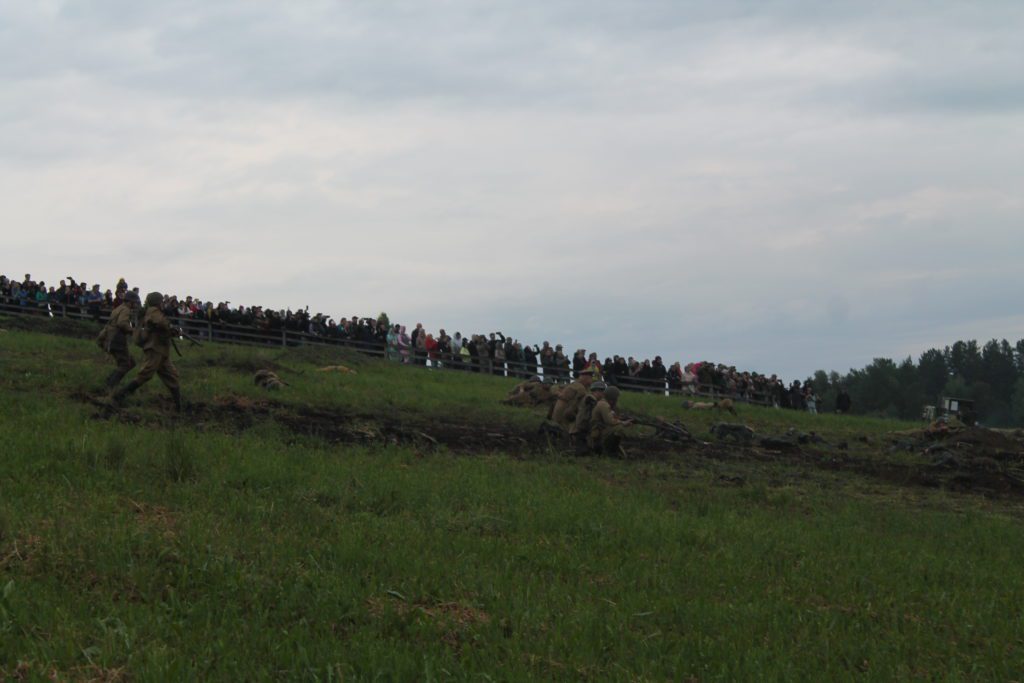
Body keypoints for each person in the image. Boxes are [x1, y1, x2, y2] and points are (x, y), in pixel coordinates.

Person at [111, 292, 182, 412]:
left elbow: (160, 327)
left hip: (161, 350)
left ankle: (179, 406)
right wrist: (170, 327)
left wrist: (172, 331)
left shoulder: (155, 312)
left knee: (172, 376)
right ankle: (119, 396)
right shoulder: (153, 311)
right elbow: (159, 322)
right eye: (161, 301)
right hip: (155, 349)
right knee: (145, 374)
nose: (163, 303)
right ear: (158, 302)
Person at [96, 290, 140, 390]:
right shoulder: (126, 310)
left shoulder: (118, 308)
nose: (136, 305)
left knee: (131, 362)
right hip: (117, 339)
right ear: (130, 302)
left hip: (111, 338)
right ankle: (110, 385)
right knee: (125, 364)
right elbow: (122, 323)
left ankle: (110, 381)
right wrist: (133, 331)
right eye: (135, 302)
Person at [587, 385, 633, 457]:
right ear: (612, 397)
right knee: (619, 428)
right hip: (597, 434)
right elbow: (610, 421)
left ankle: (612, 451)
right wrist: (623, 422)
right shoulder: (604, 405)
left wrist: (620, 418)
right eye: (616, 397)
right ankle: (609, 451)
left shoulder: (604, 404)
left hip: (600, 432)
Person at [550, 366, 596, 434]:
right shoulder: (581, 388)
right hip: (563, 418)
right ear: (586, 378)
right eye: (590, 378)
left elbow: (554, 389)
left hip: (557, 416)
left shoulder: (573, 385)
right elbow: (576, 407)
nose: (592, 380)